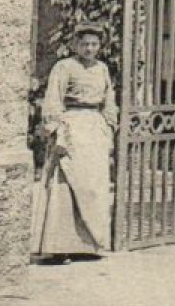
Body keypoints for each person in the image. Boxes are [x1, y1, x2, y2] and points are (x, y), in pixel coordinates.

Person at [34, 22, 118, 262]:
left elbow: (109, 101)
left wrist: (109, 127)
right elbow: (53, 99)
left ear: (99, 46)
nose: (89, 49)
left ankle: (89, 244)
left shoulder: (102, 69)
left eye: (94, 44)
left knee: (93, 186)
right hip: (72, 128)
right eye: (85, 44)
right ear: (76, 45)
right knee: (67, 183)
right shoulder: (64, 67)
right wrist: (57, 131)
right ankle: (61, 246)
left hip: (95, 130)